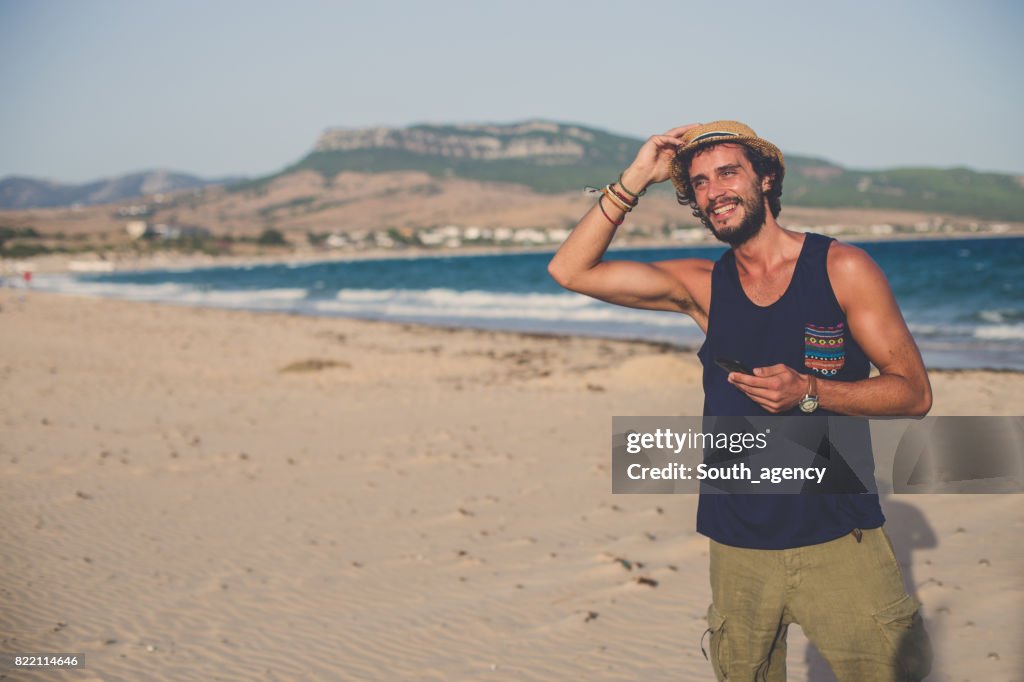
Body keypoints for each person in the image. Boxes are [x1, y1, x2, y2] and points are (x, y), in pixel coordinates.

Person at [548, 121, 933, 681]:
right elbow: (570, 270)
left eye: (728, 172)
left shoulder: (841, 268)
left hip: (839, 537)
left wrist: (810, 392)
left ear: (767, 179)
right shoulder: (705, 286)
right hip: (736, 544)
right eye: (700, 183)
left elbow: (914, 392)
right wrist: (634, 179)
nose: (714, 190)